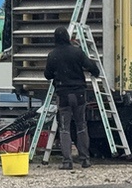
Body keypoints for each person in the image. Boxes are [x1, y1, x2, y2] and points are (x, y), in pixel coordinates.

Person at [43, 26, 100, 169]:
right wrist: (96, 72)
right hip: (79, 94)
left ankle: (67, 162)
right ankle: (85, 159)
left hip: (63, 96)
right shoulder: (77, 52)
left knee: (64, 128)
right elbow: (92, 67)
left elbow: (47, 75)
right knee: (81, 125)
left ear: (55, 39)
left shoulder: (53, 55)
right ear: (68, 38)